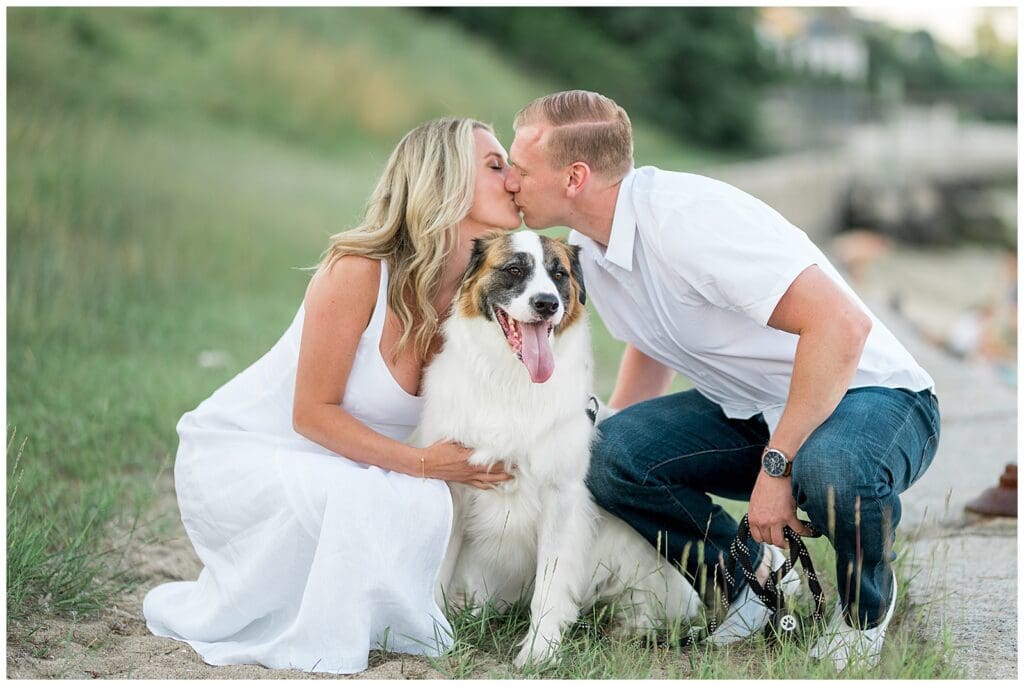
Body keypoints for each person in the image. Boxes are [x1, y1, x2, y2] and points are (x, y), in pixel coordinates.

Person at [505, 91, 939, 671]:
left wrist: (776, 467)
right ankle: (750, 588)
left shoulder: (686, 220)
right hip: (751, 408)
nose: (510, 180)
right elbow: (650, 338)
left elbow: (842, 326)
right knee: (608, 453)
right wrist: (612, 444)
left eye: (521, 168)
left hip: (872, 395)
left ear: (575, 177)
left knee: (830, 469)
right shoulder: (590, 248)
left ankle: (864, 613)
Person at [143, 117, 519, 674]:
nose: (514, 179)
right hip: (249, 453)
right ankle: (315, 641)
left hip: (351, 465)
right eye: (495, 165)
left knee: (417, 498)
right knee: (384, 492)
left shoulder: (478, 296)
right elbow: (311, 415)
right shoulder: (360, 269)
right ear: (446, 180)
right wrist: (423, 463)